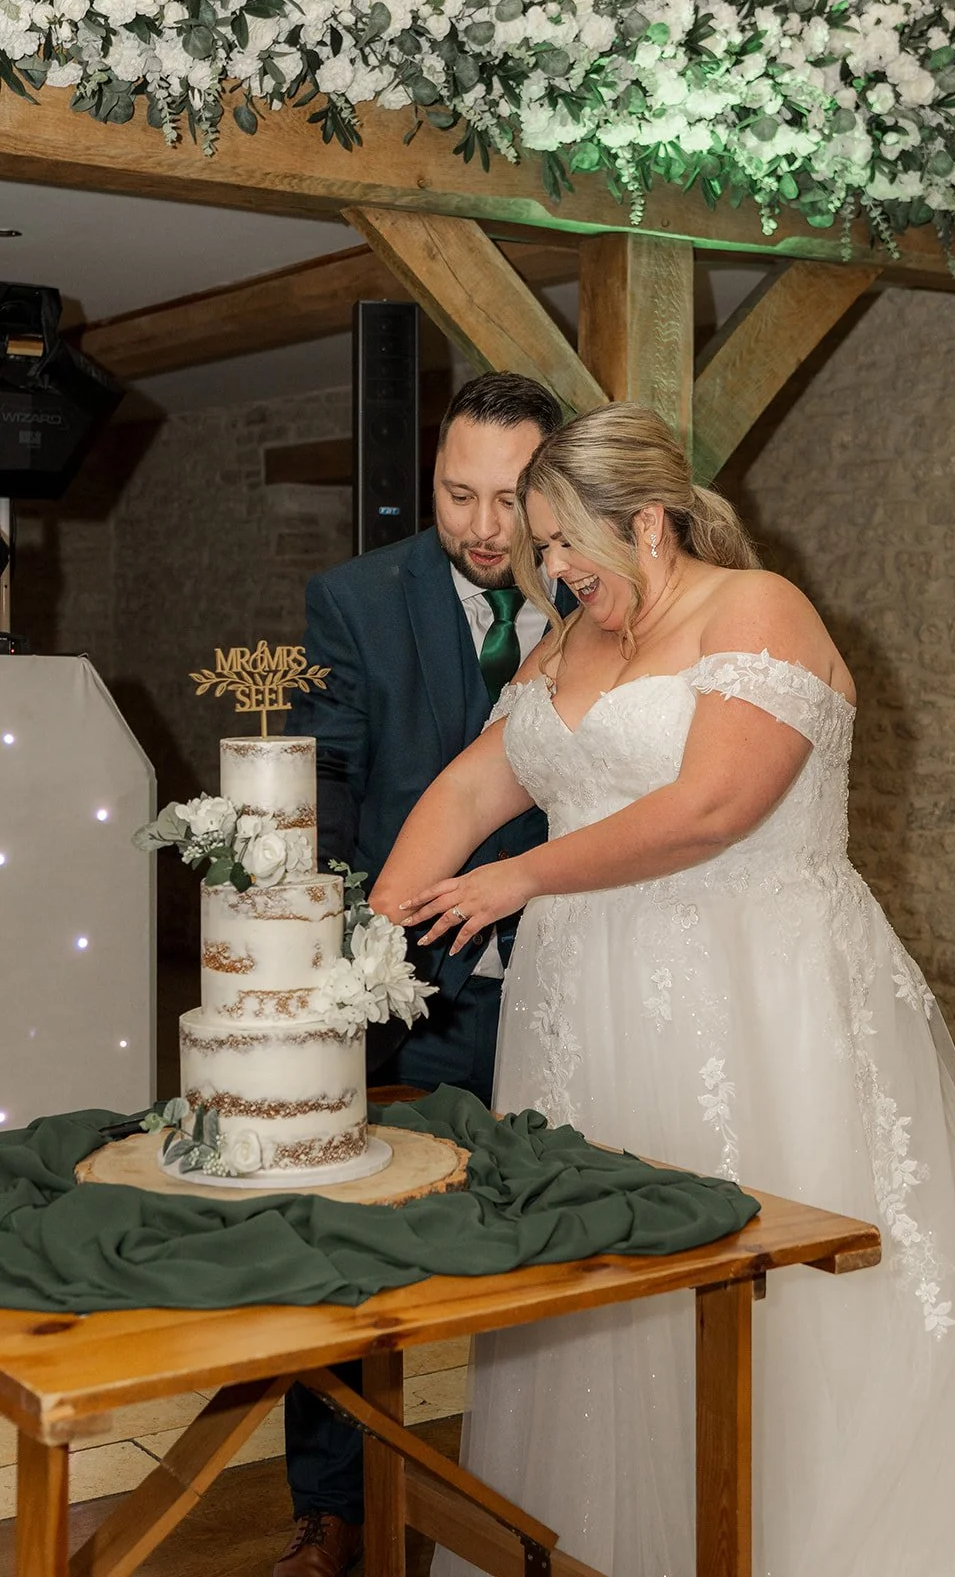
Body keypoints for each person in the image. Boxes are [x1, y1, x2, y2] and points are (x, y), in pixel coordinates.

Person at [372, 401, 955, 1577]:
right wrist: (371, 931)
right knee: (600, 1289)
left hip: (757, 995)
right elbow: (469, 792)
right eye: (539, 548)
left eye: (562, 544)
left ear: (647, 522)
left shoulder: (756, 610)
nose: (547, 569)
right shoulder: (561, 646)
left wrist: (517, 881)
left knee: (771, 1280)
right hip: (582, 1012)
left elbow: (710, 809)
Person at [274, 371, 569, 1577]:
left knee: (562, 1229)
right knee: (343, 1242)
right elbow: (326, 781)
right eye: (459, 495)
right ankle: (331, 1505)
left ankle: (544, 1474)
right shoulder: (352, 597)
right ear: (429, 481)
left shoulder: (606, 597)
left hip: (570, 978)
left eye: (511, 497)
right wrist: (336, 944)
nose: (485, 527)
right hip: (407, 992)